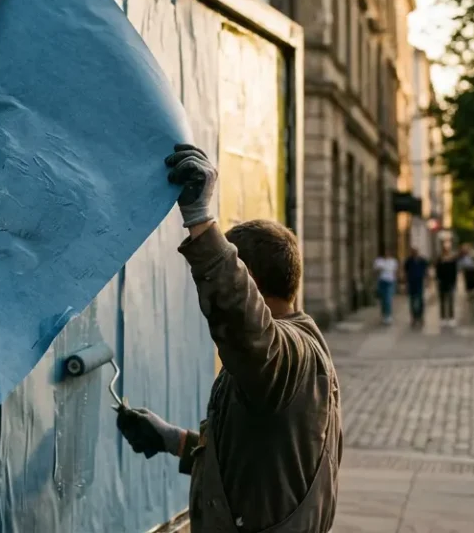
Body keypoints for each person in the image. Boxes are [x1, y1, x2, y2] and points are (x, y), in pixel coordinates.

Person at [115, 144, 342, 533]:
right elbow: (257, 465)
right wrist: (173, 440)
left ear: (249, 283)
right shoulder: (290, 360)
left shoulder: (289, 358)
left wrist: (201, 221)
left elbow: (242, 323)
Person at [403, 247, 429, 326]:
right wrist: (405, 283)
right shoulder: (408, 261)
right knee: (412, 301)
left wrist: (427, 281)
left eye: (415, 252)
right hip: (411, 283)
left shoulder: (422, 260)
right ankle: (414, 318)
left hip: (419, 282)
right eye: (413, 252)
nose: (414, 253)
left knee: (420, 300)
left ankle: (420, 317)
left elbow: (426, 271)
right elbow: (405, 272)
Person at [436, 245, 459, 328]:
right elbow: (437, 271)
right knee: (442, 301)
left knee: (450, 300)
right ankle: (443, 318)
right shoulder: (440, 260)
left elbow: (455, 272)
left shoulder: (452, 261)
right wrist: (438, 280)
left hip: (450, 282)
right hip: (442, 283)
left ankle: (451, 317)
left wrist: (454, 282)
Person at [373, 249, 398, 325]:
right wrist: (379, 270)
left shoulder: (393, 261)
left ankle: (388, 316)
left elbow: (395, 271)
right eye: (385, 253)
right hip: (382, 282)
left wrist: (395, 281)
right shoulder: (379, 261)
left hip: (390, 282)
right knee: (383, 300)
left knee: (388, 299)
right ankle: (384, 315)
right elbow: (375, 271)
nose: (387, 254)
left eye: (388, 252)